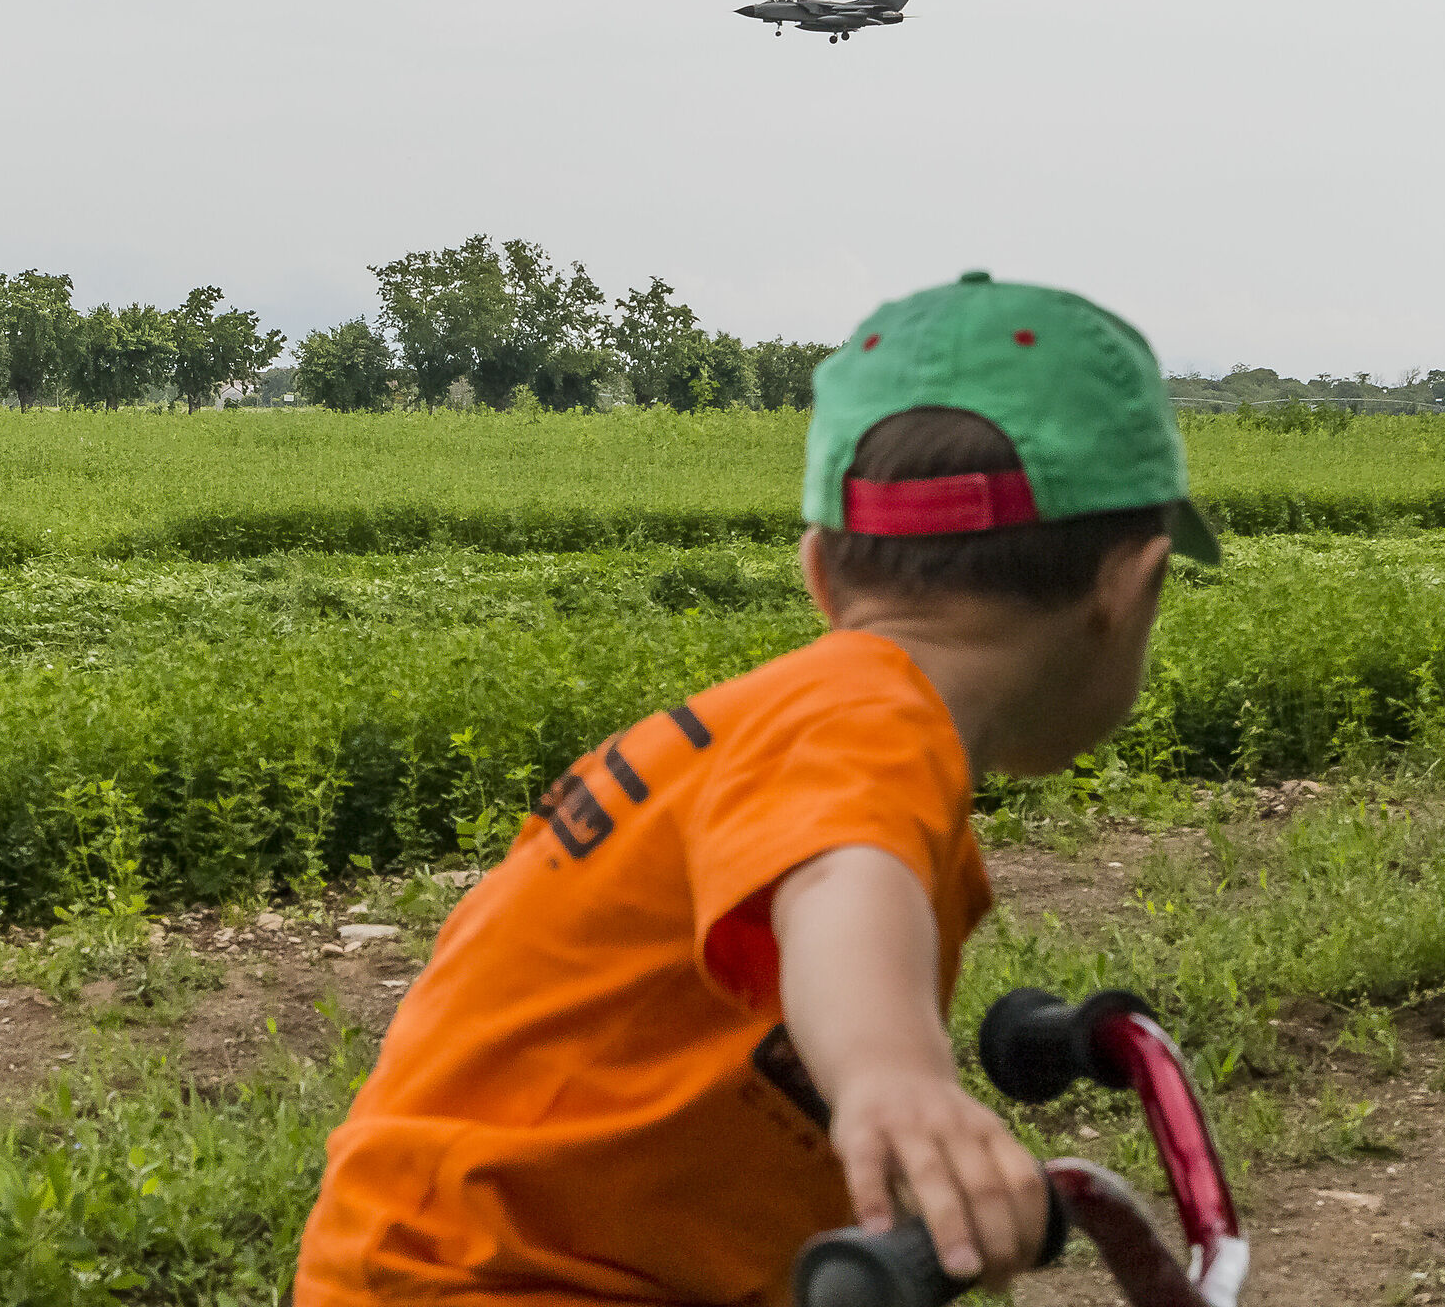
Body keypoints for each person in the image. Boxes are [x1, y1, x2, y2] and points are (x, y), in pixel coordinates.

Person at [294, 270, 1221, 1307]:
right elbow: (841, 884)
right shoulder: (868, 722)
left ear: (821, 572)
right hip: (505, 1280)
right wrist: (895, 1077)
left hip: (461, 1252)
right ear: (1131, 586)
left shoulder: (809, 721)